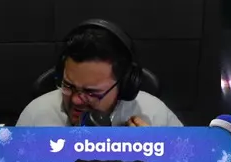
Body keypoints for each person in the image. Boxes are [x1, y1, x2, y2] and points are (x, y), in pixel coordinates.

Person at [16, 20, 182, 127]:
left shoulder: (154, 114)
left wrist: (155, 152)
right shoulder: (36, 116)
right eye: (68, 86)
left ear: (124, 85)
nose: (75, 100)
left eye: (91, 92)